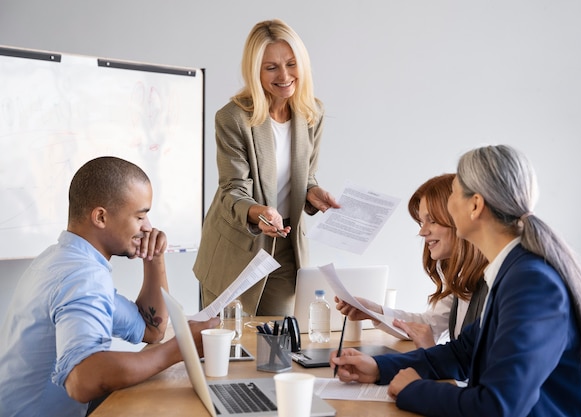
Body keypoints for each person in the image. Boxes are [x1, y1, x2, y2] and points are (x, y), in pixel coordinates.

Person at [331, 145, 581, 416]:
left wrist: (414, 389)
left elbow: (498, 406)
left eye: (453, 195)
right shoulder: (511, 270)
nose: (447, 207)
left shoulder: (532, 283)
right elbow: (463, 352)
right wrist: (378, 368)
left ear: (475, 206)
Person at [0, 157, 220, 417]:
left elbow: (151, 329)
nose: (148, 227)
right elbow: (84, 380)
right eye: (140, 216)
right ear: (101, 217)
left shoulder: (62, 258)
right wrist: (182, 347)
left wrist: (155, 258)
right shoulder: (82, 276)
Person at [193, 18, 339, 316]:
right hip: (236, 247)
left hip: (286, 246)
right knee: (227, 345)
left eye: (291, 63)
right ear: (255, 71)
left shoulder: (313, 112)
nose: (284, 75)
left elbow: (305, 173)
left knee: (277, 345)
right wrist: (259, 212)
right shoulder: (233, 118)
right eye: (271, 67)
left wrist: (312, 192)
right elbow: (233, 188)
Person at [335, 174, 489, 348]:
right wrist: (374, 310)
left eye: (432, 221)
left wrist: (428, 353)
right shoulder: (462, 276)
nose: (422, 232)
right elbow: (428, 326)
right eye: (421, 222)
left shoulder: (495, 282)